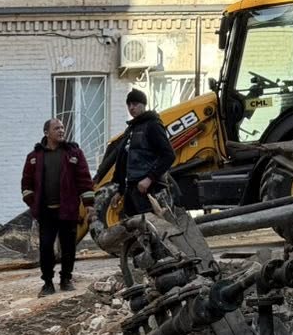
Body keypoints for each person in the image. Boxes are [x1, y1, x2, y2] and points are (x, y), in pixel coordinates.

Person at [19, 117, 95, 295]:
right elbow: (26, 184)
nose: (61, 131)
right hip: (46, 213)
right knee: (46, 248)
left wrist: (89, 205)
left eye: (62, 127)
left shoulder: (74, 154)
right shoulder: (34, 157)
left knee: (68, 247)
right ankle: (47, 283)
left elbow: (84, 180)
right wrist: (33, 204)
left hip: (68, 211)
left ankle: (66, 279)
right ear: (46, 132)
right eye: (56, 128)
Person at [96, 87, 178, 219]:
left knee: (154, 227)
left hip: (150, 189)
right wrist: (120, 191)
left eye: (135, 104)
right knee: (133, 227)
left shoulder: (153, 125)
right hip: (132, 190)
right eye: (129, 104)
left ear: (143, 105)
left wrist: (149, 179)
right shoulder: (131, 129)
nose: (131, 108)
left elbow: (169, 155)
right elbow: (123, 161)